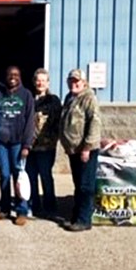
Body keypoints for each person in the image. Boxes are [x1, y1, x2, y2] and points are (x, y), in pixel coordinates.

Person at [0, 66, 35, 226]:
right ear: (6, 76)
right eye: (10, 74)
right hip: (1, 143)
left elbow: (30, 121)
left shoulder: (27, 95)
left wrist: (27, 145)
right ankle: (4, 208)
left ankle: (21, 210)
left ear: (20, 76)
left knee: (19, 176)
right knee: (4, 175)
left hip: (18, 143)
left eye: (16, 74)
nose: (13, 77)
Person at [60, 68, 101, 232]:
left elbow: (95, 123)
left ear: (84, 83)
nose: (73, 84)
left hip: (85, 150)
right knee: (78, 184)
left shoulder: (89, 98)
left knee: (86, 186)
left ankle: (84, 220)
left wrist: (87, 147)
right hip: (73, 149)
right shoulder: (70, 98)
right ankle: (76, 215)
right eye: (71, 81)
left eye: (77, 81)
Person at [28, 68, 62, 218]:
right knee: (31, 177)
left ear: (48, 83)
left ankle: (50, 206)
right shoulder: (29, 99)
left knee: (45, 176)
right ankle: (34, 205)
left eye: (43, 80)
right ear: (34, 82)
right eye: (38, 80)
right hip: (29, 147)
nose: (40, 83)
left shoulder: (53, 100)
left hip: (46, 147)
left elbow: (57, 124)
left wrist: (52, 139)